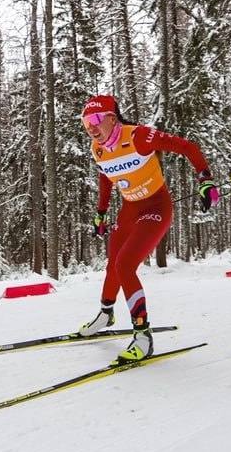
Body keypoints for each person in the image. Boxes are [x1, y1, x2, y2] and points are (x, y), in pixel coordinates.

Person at [78, 94, 221, 365]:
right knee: (113, 267)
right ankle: (106, 313)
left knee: (125, 266)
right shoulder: (97, 148)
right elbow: (106, 177)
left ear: (112, 118)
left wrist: (205, 180)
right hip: (129, 209)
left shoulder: (139, 137)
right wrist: (100, 212)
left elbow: (188, 147)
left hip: (156, 207)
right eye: (86, 123)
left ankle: (143, 337)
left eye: (96, 119)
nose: (91, 127)